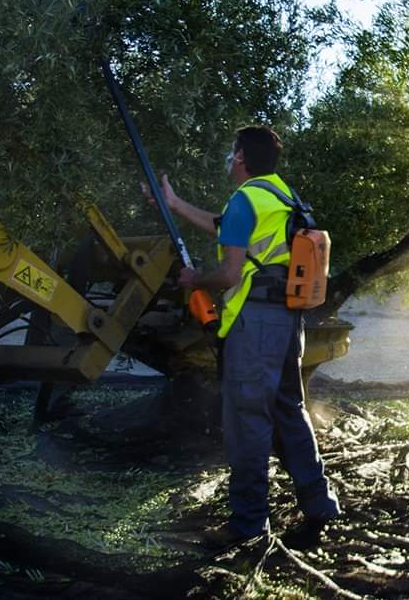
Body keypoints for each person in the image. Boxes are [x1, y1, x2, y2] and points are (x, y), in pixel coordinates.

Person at [143, 126, 340, 547]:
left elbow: (231, 273)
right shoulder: (282, 196)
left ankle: (249, 525)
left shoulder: (244, 199)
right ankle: (320, 504)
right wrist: (175, 204)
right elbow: (225, 228)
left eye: (232, 154)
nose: (229, 160)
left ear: (239, 159)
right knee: (290, 411)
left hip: (255, 327)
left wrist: (196, 278)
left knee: (248, 422)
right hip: (289, 323)